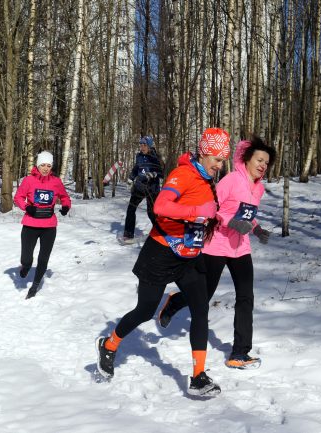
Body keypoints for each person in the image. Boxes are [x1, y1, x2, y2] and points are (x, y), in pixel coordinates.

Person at [95, 127, 231, 397]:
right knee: (145, 310)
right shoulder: (184, 174)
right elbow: (161, 207)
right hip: (160, 252)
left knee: (201, 309)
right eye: (216, 159)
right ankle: (108, 345)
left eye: (222, 160)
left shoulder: (206, 180)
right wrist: (196, 212)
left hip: (188, 256)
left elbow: (202, 212)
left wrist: (217, 217)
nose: (219, 165)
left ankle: (198, 377)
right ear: (204, 153)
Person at [158, 136, 276, 370]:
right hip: (216, 244)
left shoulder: (258, 187)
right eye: (259, 160)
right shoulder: (231, 180)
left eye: (266, 162)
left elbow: (246, 215)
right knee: (204, 295)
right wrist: (229, 222)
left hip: (240, 247)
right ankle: (175, 301)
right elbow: (213, 208)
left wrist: (257, 228)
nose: (263, 165)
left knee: (246, 297)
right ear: (247, 160)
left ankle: (240, 353)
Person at [13, 151, 71, 299]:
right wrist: (27, 207)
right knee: (26, 258)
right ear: (38, 165)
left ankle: (35, 285)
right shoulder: (29, 180)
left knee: (43, 258)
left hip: (49, 226)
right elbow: (18, 197)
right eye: (43, 165)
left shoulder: (56, 181)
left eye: (49, 165)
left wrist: (66, 206)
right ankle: (25, 266)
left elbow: (64, 196)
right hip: (30, 224)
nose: (45, 168)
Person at [122, 136, 163, 243]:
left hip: (152, 189)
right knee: (131, 209)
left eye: (144, 145)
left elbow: (161, 173)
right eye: (140, 145)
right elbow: (136, 169)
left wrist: (153, 174)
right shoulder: (139, 156)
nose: (142, 147)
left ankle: (160, 232)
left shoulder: (156, 157)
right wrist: (130, 179)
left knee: (151, 213)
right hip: (139, 187)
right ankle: (128, 234)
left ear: (149, 146)